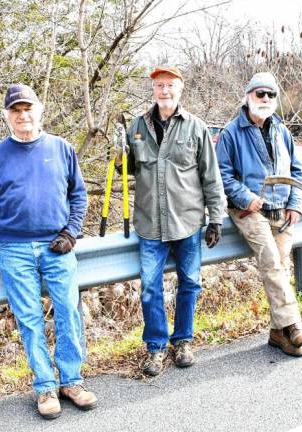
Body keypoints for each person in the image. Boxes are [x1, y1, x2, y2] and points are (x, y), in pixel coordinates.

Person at [0, 84, 96, 419]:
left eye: (28, 109)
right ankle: (45, 386)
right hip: (13, 249)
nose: (23, 116)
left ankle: (71, 381)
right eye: (16, 111)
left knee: (69, 313)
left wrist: (70, 232)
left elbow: (79, 197)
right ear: (7, 117)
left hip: (57, 246)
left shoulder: (61, 149)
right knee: (29, 320)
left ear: (39, 111)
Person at [118, 65, 225, 376]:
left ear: (180, 90)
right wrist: (118, 156)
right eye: (159, 86)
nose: (164, 91)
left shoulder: (196, 128)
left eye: (170, 86)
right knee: (150, 289)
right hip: (149, 223)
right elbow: (127, 171)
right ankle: (155, 347)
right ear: (153, 89)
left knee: (190, 283)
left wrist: (215, 217)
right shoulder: (137, 127)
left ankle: (183, 341)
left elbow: (211, 177)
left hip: (188, 221)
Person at [215, 72, 302, 357]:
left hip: (282, 210)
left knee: (280, 267)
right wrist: (247, 197)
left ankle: (277, 335)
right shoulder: (231, 132)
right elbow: (222, 175)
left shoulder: (282, 131)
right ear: (248, 96)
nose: (265, 99)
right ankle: (293, 324)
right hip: (248, 211)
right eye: (259, 94)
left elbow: (297, 171)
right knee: (271, 263)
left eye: (270, 94)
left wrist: (296, 203)